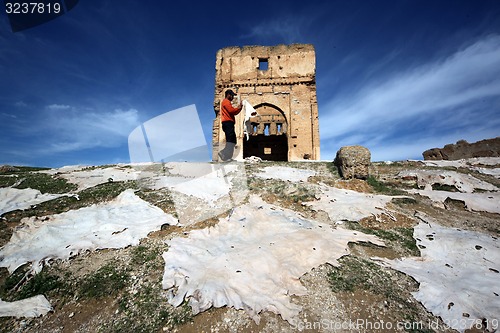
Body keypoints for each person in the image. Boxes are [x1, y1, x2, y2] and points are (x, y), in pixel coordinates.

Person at [218, 89, 242, 161]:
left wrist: (239, 108)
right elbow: (232, 111)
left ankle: (227, 157)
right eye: (232, 96)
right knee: (231, 140)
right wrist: (239, 107)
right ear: (229, 95)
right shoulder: (226, 102)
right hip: (228, 123)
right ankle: (223, 153)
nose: (232, 98)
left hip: (228, 123)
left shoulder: (226, 102)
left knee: (232, 140)